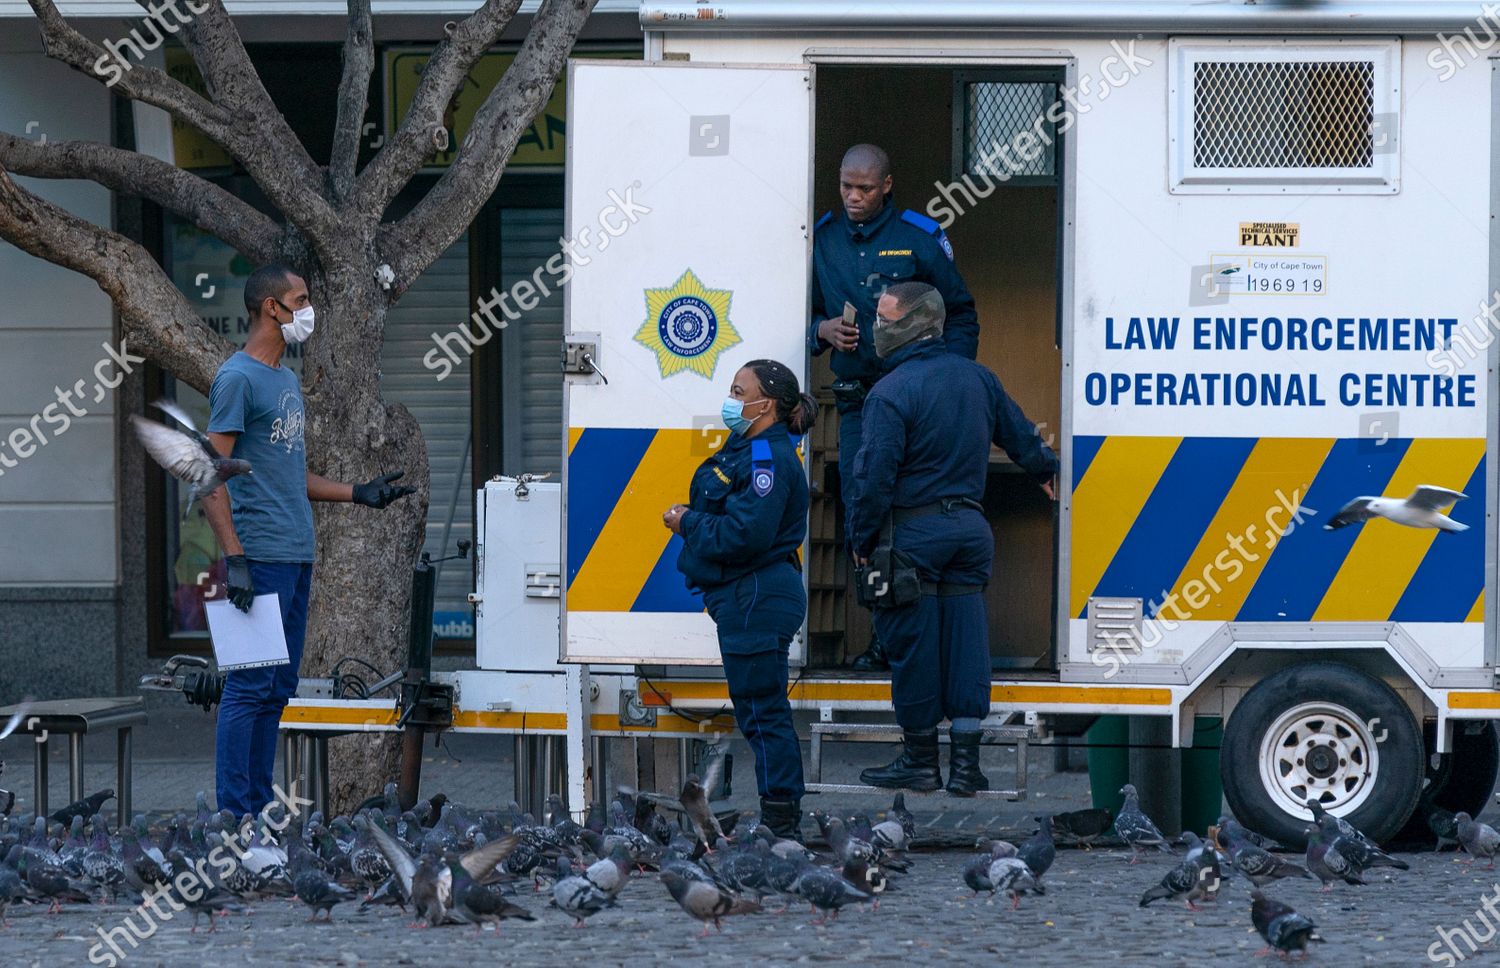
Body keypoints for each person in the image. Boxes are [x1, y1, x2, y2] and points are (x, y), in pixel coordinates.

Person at [202, 263, 416, 818]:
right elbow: (208, 473)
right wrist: (235, 559)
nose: (308, 308)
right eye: (300, 298)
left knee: (276, 691)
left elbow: (284, 472)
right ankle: (236, 818)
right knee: (248, 690)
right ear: (272, 307)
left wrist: (356, 493)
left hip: (296, 555)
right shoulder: (238, 379)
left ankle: (255, 818)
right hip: (258, 556)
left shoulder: (286, 380)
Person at [846, 282, 1057, 796]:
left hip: (913, 537)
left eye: (884, 319)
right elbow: (1023, 437)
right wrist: (1046, 472)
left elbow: (873, 476)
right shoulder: (979, 379)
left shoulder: (891, 391)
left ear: (914, 325)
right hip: (969, 530)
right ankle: (967, 767)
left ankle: (920, 762)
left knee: (914, 649)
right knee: (966, 648)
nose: (877, 328)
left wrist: (861, 535)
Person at [810, 143, 979, 671]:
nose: (853, 197)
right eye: (845, 186)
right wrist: (818, 329)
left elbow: (962, 314)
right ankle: (888, 641)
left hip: (919, 406)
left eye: (864, 188)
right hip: (861, 404)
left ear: (886, 185)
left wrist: (947, 382)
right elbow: (787, 305)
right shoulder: (819, 238)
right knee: (869, 511)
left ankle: (929, 645)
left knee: (919, 512)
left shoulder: (919, 237)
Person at [663, 359, 818, 840]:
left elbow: (745, 534)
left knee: (761, 709)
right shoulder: (747, 447)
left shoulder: (767, 459)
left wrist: (686, 522)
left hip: (757, 593)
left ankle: (780, 823)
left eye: (738, 390)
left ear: (765, 404)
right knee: (756, 707)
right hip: (749, 595)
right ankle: (779, 817)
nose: (730, 399)